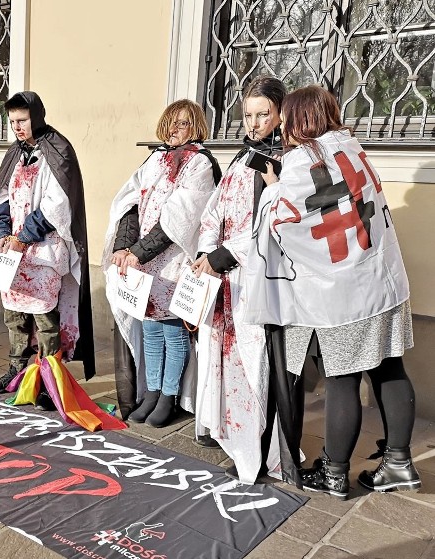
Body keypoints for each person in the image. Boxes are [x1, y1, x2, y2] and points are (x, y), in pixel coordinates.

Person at [245, 84, 420, 499]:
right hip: (383, 280)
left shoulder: (302, 162)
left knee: (342, 379)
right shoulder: (350, 146)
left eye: (286, 117)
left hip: (343, 292)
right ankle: (399, 463)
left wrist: (272, 186)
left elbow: (282, 220)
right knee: (389, 366)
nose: (282, 125)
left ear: (299, 119)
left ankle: (334, 474)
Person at [190, 77, 286, 484]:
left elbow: (272, 226)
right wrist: (204, 253)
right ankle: (226, 432)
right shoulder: (242, 157)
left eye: (263, 114)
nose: (255, 122)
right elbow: (215, 210)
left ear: (281, 113)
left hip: (254, 284)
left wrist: (223, 256)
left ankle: (255, 452)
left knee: (252, 365)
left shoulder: (282, 162)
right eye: (248, 114)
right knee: (221, 361)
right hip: (223, 281)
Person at [104, 100, 220, 427]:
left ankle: (169, 396)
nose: (174, 130)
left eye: (182, 124)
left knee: (173, 331)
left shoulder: (200, 164)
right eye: (170, 123)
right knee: (151, 329)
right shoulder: (155, 158)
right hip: (144, 263)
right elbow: (129, 204)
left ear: (195, 126)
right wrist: (124, 247)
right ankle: (152, 391)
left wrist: (138, 252)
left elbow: (179, 220)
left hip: (173, 262)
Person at [0, 91, 95, 410]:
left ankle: (48, 380)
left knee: (45, 318)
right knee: (14, 315)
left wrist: (25, 236)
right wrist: (3, 233)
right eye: (12, 122)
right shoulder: (15, 153)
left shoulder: (58, 150)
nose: (17, 127)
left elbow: (57, 205)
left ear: (36, 116)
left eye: (22, 120)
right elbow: (0, 197)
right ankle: (17, 370)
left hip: (44, 250)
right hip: (14, 251)